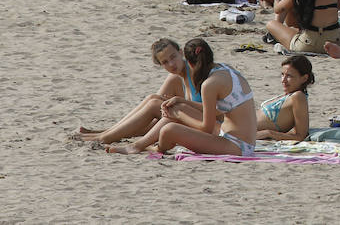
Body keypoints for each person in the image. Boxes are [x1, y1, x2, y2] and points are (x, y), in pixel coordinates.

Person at [109, 38, 260, 156]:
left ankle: (148, 147)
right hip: (241, 139)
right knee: (175, 107)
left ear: (187, 61)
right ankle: (137, 145)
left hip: (237, 145)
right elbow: (220, 109)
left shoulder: (209, 84)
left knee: (168, 130)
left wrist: (179, 114)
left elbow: (206, 128)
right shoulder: (225, 69)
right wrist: (181, 102)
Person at [75, 38, 203, 145]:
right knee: (153, 99)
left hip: (207, 124)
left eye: (173, 57)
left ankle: (105, 136)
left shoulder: (193, 72)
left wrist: (180, 102)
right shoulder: (178, 74)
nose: (171, 64)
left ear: (181, 53)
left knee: (154, 105)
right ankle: (107, 132)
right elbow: (156, 105)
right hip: (194, 117)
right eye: (165, 62)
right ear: (161, 65)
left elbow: (214, 110)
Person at [256, 56, 313, 143]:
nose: (283, 80)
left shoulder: (298, 97)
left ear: (304, 78)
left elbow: (300, 135)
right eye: (282, 75)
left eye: (289, 76)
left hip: (244, 132)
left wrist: (268, 133)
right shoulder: (288, 95)